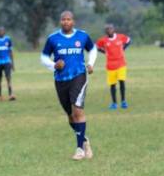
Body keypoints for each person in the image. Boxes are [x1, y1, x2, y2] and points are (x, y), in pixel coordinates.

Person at [40, 11, 97, 161]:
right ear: (60, 22)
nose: (66, 22)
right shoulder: (53, 38)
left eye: (69, 19)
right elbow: (44, 57)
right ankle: (84, 140)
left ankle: (79, 150)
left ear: (73, 21)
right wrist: (54, 64)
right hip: (61, 79)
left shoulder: (82, 36)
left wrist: (91, 64)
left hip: (79, 76)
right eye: (63, 20)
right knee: (71, 116)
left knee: (77, 111)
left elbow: (93, 49)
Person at [96, 24, 131, 110]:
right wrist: (104, 52)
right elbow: (96, 46)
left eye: (110, 29)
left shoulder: (120, 37)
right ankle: (114, 103)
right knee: (112, 85)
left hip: (121, 64)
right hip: (110, 66)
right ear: (106, 32)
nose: (109, 31)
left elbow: (129, 40)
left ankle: (123, 101)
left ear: (113, 29)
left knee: (122, 82)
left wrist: (123, 48)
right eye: (107, 30)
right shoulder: (103, 40)